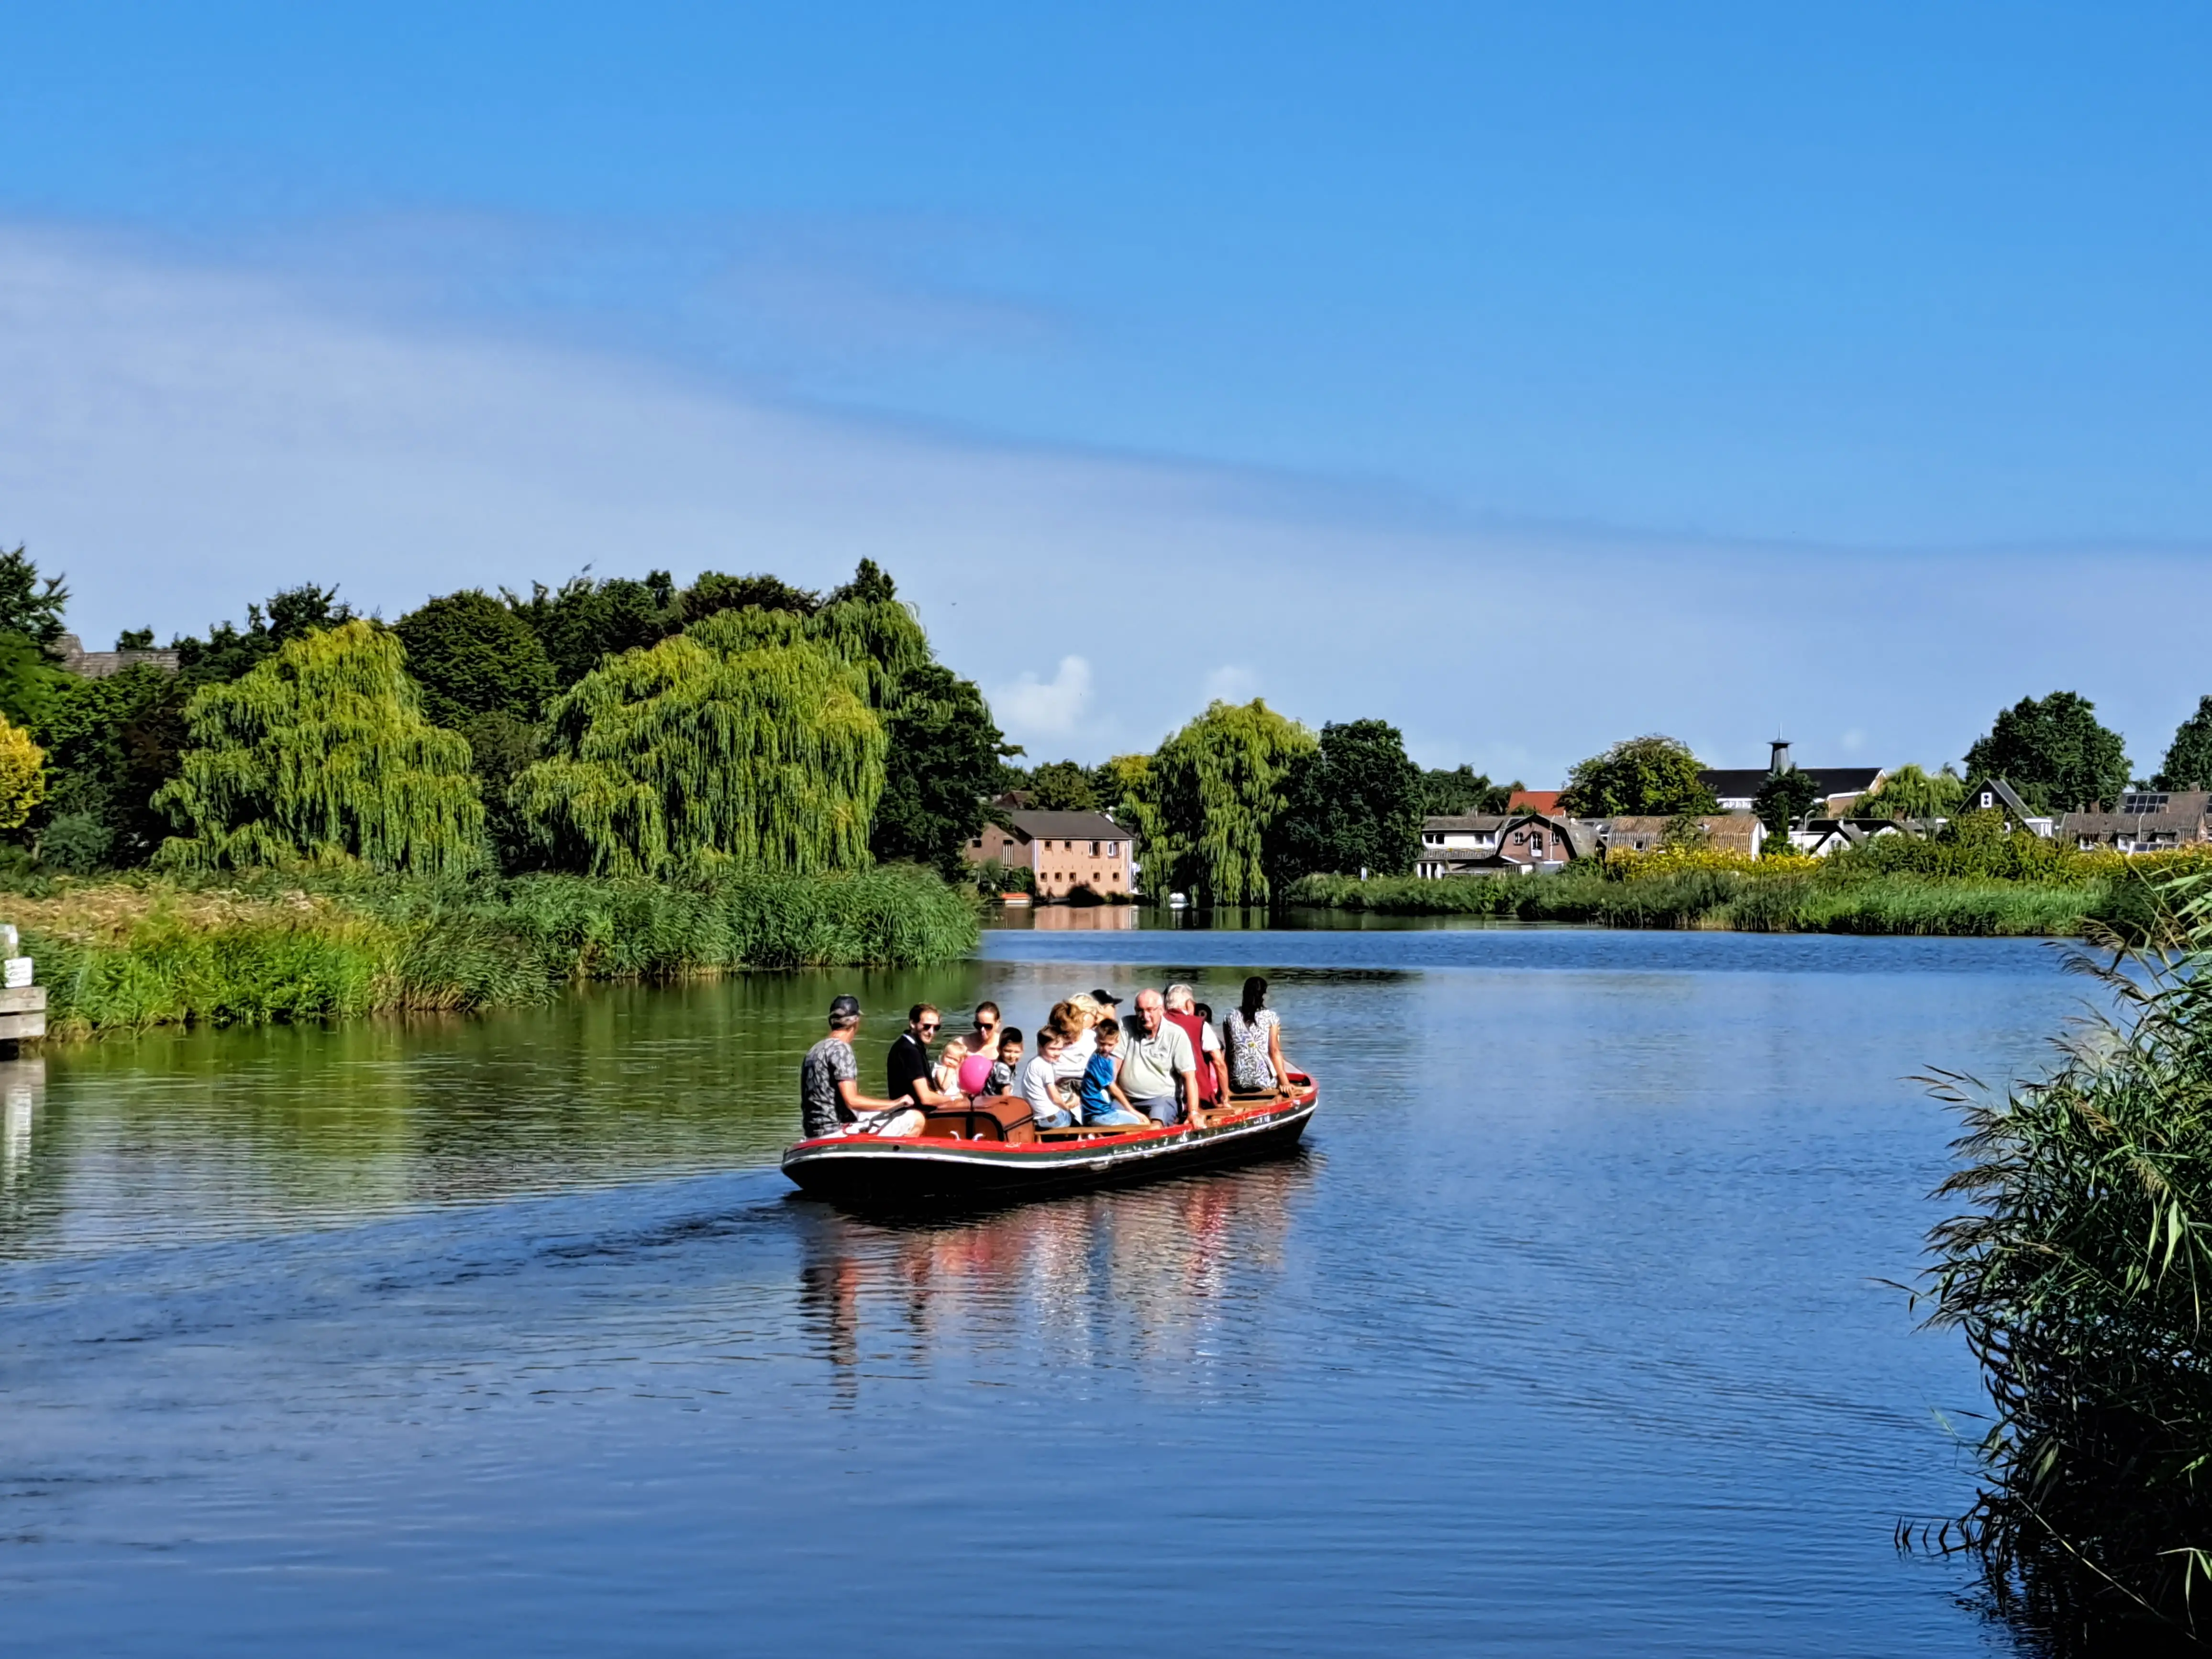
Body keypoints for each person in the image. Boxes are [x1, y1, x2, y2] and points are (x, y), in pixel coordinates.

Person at [799, 995, 925, 1140]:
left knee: (876, 1114)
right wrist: (895, 1104)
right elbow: (852, 1101)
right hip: (836, 1132)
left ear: (831, 1021)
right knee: (916, 1118)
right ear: (856, 1022)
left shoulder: (814, 1050)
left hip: (813, 1133)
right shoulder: (841, 1049)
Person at [1119, 987, 1199, 1126]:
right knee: (1102, 1117)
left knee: (1157, 1123)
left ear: (1161, 1010)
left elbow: (1189, 1077)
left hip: (1162, 1099)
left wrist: (1193, 1112)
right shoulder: (1126, 1025)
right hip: (1127, 1099)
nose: (1145, 1016)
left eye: (1150, 1010)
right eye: (1140, 1010)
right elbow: (1113, 1067)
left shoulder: (1176, 1034)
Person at [1222, 974, 1297, 1095]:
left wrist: (1225, 1088)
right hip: (1263, 1082)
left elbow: (1229, 1054)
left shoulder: (1230, 1017)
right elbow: (1274, 1051)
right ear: (1263, 995)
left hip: (1238, 1082)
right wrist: (1285, 1083)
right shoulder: (1271, 1017)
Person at [1163, 982, 1227, 1109]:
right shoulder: (1200, 1025)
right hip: (1198, 1097)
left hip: (1164, 1097)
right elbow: (1219, 1062)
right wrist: (1225, 1096)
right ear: (1188, 1004)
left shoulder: (1158, 1023)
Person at [1076, 1017, 1148, 1126]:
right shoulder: (1097, 1061)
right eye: (1102, 1043)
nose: (1106, 1048)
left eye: (1110, 1045)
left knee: (1141, 1120)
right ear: (1097, 1040)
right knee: (1140, 1122)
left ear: (1117, 1042)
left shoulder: (1108, 1060)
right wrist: (1131, 1110)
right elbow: (1113, 1088)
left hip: (1106, 1111)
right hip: (1096, 1115)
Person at [887, 1003, 961, 1109]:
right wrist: (954, 1099)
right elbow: (926, 1098)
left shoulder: (913, 1045)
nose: (931, 1032)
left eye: (936, 1028)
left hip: (917, 1109)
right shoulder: (909, 1051)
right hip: (910, 1112)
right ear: (913, 1023)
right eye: (927, 1027)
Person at [1018, 1029, 1081, 1129]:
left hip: (1038, 1117)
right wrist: (1067, 1107)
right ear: (1040, 1047)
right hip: (1051, 1118)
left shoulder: (1034, 1063)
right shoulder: (1045, 1066)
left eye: (1059, 1049)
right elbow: (1055, 1098)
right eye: (1052, 1049)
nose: (1057, 1053)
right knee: (1078, 1118)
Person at [987, 1027, 1023, 1096]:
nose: (1012, 1056)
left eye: (1017, 1052)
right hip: (994, 1101)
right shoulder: (1002, 1068)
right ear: (999, 1050)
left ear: (1022, 1051)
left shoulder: (1009, 1065)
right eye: (1008, 1051)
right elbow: (1006, 1095)